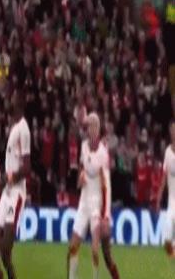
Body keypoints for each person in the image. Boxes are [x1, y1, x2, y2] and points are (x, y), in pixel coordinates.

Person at [67, 112, 119, 279]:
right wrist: (80, 179)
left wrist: (106, 215)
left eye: (91, 126)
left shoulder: (103, 153)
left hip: (98, 204)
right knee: (72, 247)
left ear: (97, 128)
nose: (89, 129)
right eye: (87, 126)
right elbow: (81, 169)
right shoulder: (83, 146)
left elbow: (106, 186)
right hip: (84, 203)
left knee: (101, 253)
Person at [0, 88, 31, 279]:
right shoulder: (14, 127)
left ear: (18, 103)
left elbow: (27, 167)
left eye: (12, 98)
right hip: (6, 193)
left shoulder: (24, 130)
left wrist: (10, 177)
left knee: (5, 250)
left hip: (17, 194)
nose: (8, 100)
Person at [155, 120, 175, 259]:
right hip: (172, 201)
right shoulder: (167, 151)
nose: (174, 132)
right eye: (172, 129)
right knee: (167, 240)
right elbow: (164, 176)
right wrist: (159, 197)